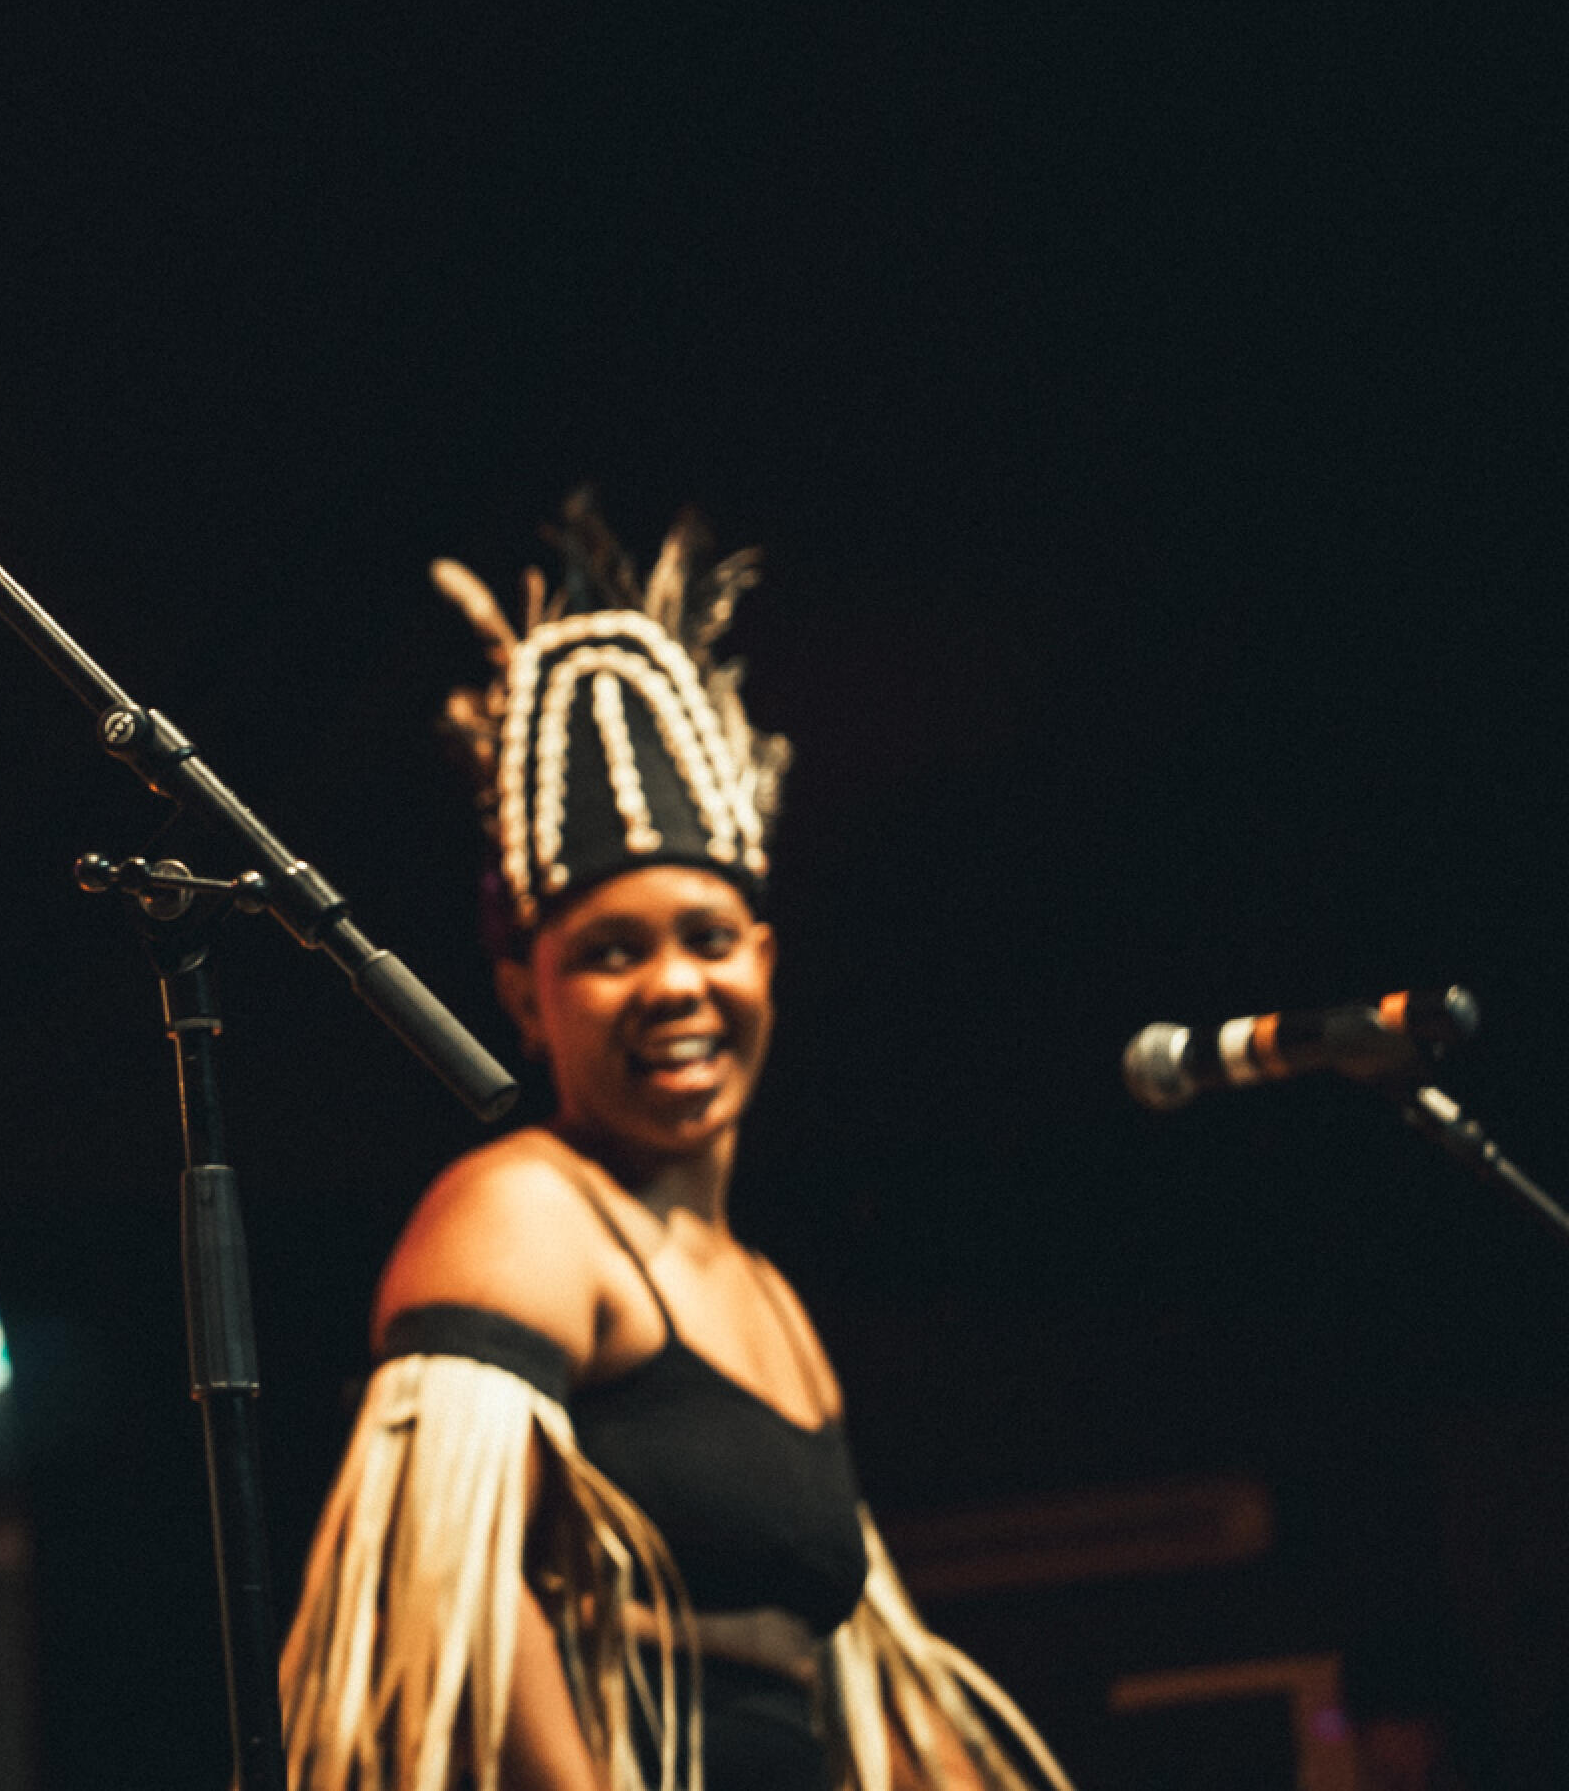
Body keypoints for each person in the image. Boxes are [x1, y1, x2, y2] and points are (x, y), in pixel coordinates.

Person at [280, 498, 1065, 1791]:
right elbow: (467, 1595)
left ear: (765, 957)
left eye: (707, 938)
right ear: (525, 996)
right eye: (609, 952)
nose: (673, 986)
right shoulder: (524, 1211)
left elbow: (843, 1675)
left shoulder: (768, 1297)